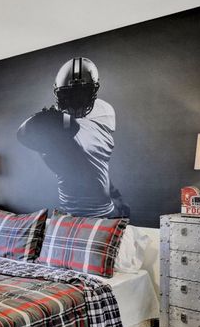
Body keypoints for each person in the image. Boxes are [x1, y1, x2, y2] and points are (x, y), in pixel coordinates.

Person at [17, 57, 129, 217]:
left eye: (81, 94)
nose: (76, 102)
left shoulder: (104, 111)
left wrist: (116, 195)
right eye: (69, 96)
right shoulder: (55, 127)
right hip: (74, 215)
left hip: (107, 211)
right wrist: (49, 126)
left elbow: (97, 163)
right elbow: (78, 164)